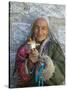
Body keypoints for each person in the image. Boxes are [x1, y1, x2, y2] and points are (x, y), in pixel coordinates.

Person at [14, 18, 65, 87]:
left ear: (47, 31)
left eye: (43, 28)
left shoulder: (54, 47)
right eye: (36, 28)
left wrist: (47, 64)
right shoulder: (24, 48)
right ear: (33, 30)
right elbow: (19, 75)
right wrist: (30, 63)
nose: (39, 32)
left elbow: (63, 71)